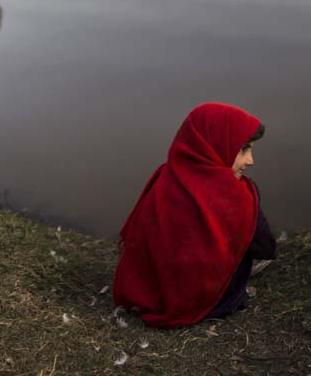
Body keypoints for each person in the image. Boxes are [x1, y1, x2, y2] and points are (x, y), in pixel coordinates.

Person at [113, 102, 276, 327]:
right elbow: (266, 248)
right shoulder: (237, 194)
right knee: (248, 232)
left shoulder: (164, 178)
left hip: (148, 297)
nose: (250, 160)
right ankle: (233, 296)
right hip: (206, 303)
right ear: (217, 144)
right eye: (244, 149)